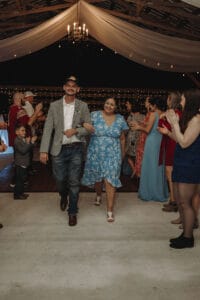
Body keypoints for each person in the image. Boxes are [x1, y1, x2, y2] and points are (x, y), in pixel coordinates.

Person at [39, 75, 91, 226]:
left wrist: (75, 130)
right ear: (64, 87)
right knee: (60, 180)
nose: (70, 87)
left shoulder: (83, 106)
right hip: (58, 150)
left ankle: (73, 211)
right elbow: (48, 128)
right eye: (68, 85)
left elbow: (88, 128)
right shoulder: (54, 106)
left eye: (73, 86)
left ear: (78, 89)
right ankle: (63, 196)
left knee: (74, 182)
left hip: (76, 148)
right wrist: (43, 150)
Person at [160, 89, 200, 249]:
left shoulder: (197, 120)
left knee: (186, 202)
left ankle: (188, 238)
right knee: (181, 201)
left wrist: (175, 123)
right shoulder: (188, 118)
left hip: (190, 164)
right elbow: (179, 139)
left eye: (183, 99)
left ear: (190, 101)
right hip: (181, 161)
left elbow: (184, 143)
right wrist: (169, 130)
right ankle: (184, 234)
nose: (181, 102)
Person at [81, 97, 128, 222]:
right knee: (98, 179)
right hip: (95, 153)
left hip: (113, 154)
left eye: (112, 104)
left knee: (110, 181)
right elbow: (82, 126)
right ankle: (98, 194)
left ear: (116, 107)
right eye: (107, 103)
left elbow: (122, 138)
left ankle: (110, 210)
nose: (109, 106)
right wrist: (84, 124)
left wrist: (122, 154)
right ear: (104, 104)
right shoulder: (94, 115)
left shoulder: (120, 119)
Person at [131, 96, 169, 202]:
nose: (150, 106)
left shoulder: (153, 114)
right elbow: (152, 126)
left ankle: (149, 192)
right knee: (158, 166)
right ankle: (159, 192)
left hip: (152, 142)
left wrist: (138, 128)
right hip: (160, 140)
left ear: (155, 105)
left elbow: (147, 130)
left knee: (150, 166)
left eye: (151, 104)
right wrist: (140, 124)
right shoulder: (163, 114)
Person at [158, 91, 182, 212]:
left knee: (170, 172)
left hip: (172, 142)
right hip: (171, 142)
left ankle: (174, 201)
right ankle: (174, 200)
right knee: (171, 173)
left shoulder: (172, 113)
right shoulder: (175, 113)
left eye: (168, 98)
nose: (166, 100)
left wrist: (163, 117)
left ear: (171, 100)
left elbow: (163, 127)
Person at [13, 124, 37, 199]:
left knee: (23, 179)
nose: (24, 132)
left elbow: (28, 148)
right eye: (22, 130)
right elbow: (23, 151)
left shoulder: (23, 139)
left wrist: (31, 143)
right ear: (17, 132)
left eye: (25, 130)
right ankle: (17, 195)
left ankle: (21, 193)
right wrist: (29, 142)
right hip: (20, 163)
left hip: (24, 163)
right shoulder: (17, 141)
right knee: (19, 181)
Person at [125, 100, 145, 178]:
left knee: (128, 155)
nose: (127, 106)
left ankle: (135, 171)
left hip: (132, 138)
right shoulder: (143, 116)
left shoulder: (131, 116)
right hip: (141, 138)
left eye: (128, 104)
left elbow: (128, 128)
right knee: (138, 156)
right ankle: (137, 171)